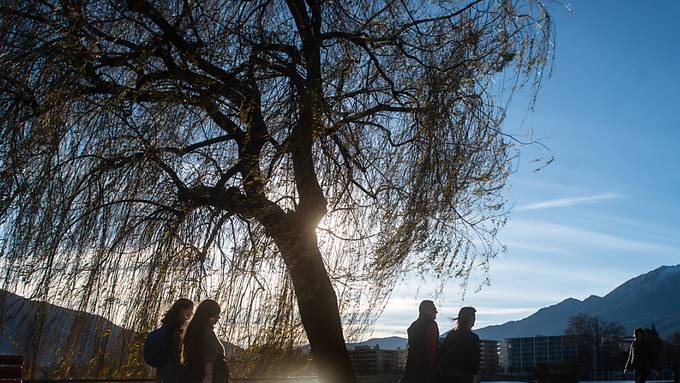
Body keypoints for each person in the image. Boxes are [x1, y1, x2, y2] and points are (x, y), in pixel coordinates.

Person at [182, 299, 229, 383]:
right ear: (210, 315)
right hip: (215, 377)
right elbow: (209, 358)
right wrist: (208, 377)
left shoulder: (192, 331)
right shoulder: (207, 333)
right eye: (217, 315)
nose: (218, 318)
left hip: (194, 375)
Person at [435, 306, 480, 383]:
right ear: (470, 319)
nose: (474, 320)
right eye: (474, 317)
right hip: (466, 376)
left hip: (449, 375)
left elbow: (441, 352)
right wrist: (475, 375)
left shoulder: (451, 335)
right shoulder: (473, 338)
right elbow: (474, 359)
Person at [156, 298, 194, 383]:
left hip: (163, 368)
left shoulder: (167, 325)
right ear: (183, 309)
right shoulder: (177, 328)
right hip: (171, 370)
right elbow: (175, 351)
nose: (192, 313)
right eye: (191, 309)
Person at [401, 300, 439, 383]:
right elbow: (431, 348)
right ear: (426, 310)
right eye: (434, 309)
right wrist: (433, 367)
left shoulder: (413, 326)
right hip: (425, 369)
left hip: (412, 368)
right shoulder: (431, 325)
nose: (436, 311)